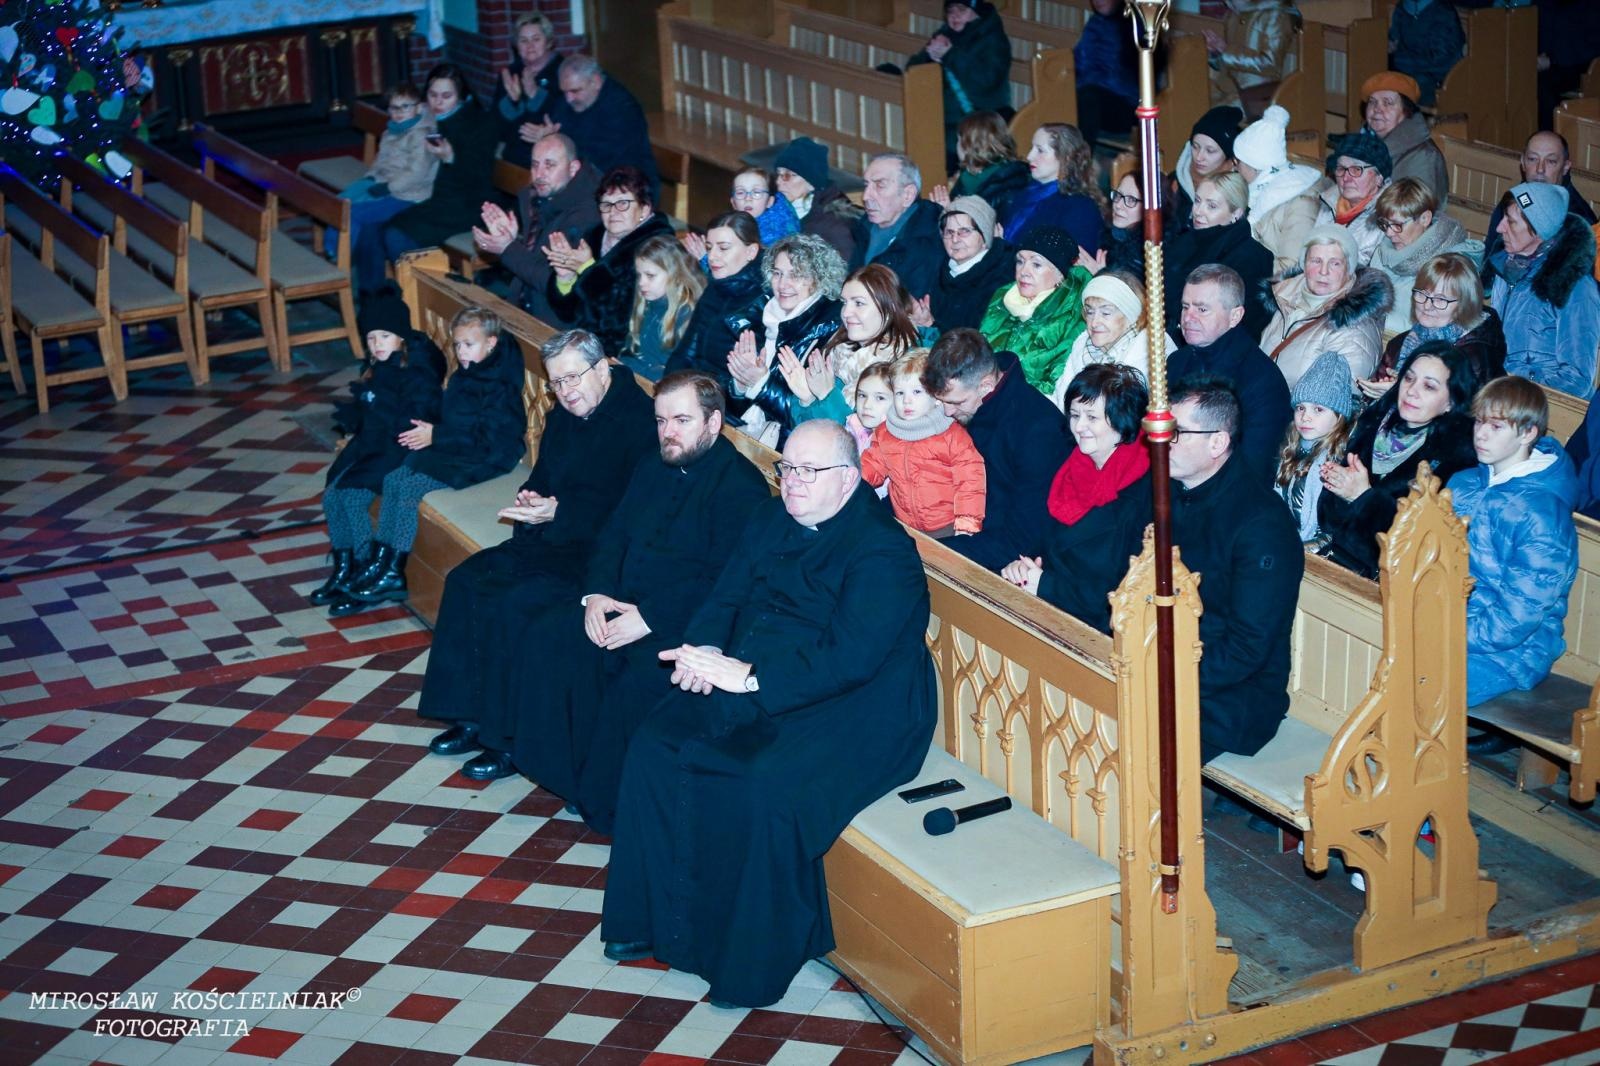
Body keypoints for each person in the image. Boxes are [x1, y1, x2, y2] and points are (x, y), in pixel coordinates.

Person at [598, 419, 936, 1009]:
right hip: (753, 672)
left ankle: (749, 959)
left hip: (861, 705)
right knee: (657, 742)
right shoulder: (770, 518)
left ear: (850, 480)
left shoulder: (882, 550)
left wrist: (752, 678)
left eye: (810, 471)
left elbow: (852, 659)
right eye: (787, 468)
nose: (794, 482)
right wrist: (701, 654)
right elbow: (724, 598)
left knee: (760, 781)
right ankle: (654, 924)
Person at [506, 372, 770, 826]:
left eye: (682, 420)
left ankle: (607, 804)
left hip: (683, 624)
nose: (668, 431)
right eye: (661, 420)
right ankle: (560, 773)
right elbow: (614, 535)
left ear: (713, 422)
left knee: (633, 681)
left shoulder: (740, 486)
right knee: (549, 636)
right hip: (622, 603)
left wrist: (647, 618)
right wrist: (597, 595)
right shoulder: (653, 464)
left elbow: (723, 581)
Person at [416, 328, 657, 777]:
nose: (565, 392)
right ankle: (470, 715)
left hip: (599, 557)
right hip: (552, 536)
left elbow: (631, 513)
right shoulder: (567, 413)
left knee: (516, 605)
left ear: (603, 368)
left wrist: (559, 513)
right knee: (467, 580)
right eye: (556, 383)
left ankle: (506, 741)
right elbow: (545, 474)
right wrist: (531, 498)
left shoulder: (640, 422)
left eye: (572, 378)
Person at [333, 306, 529, 614]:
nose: (461, 352)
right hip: (458, 447)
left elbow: (489, 438)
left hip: (486, 458)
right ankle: (382, 563)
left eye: (469, 344)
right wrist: (431, 429)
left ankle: (394, 568)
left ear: (491, 343)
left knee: (410, 489)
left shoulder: (500, 384)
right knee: (395, 478)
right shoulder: (469, 372)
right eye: (457, 345)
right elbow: (454, 418)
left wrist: (437, 436)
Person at [1167, 379, 1304, 761]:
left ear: (1217, 443)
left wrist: (1165, 677)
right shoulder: (1169, 491)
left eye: (1178, 433)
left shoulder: (1261, 525)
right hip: (1172, 662)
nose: (1166, 441)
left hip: (1233, 695)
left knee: (1129, 742)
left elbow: (1247, 648)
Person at [1449, 375, 1579, 709]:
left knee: (1425, 684)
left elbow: (1519, 616)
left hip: (1514, 651)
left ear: (1528, 433)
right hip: (1450, 620)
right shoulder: (1463, 483)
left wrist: (1447, 630)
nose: (1480, 433)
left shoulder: (1542, 515)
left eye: (1495, 426)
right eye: (1479, 421)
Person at [309, 288, 445, 607]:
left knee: (354, 497)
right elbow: (371, 412)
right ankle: (344, 569)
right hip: (374, 444)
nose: (378, 344)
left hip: (401, 448)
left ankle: (363, 567)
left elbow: (414, 416)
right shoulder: (377, 367)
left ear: (401, 337)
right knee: (333, 495)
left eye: (385, 336)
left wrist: (377, 411)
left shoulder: (416, 371)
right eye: (371, 338)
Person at [1004, 363, 1152, 634]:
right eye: (1074, 415)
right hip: (1054, 613)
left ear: (1123, 420)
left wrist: (1046, 585)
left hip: (1100, 634)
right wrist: (1023, 568)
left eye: (1092, 418)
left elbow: (1123, 592)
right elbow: (1046, 545)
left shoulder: (1145, 493)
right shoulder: (1070, 468)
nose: (1079, 426)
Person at [1317, 340, 1479, 578]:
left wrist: (1363, 497)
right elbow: (1327, 513)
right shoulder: (1375, 418)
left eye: (1429, 387)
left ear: (1451, 402)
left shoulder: (1457, 457)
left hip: (1392, 582)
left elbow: (1425, 546)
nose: (1412, 391)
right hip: (1336, 559)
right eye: (1409, 378)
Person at [923, 328, 1071, 571]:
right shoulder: (974, 407)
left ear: (986, 385)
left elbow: (1022, 541)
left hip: (1005, 560)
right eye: (942, 402)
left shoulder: (1037, 431)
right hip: (954, 532)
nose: (947, 412)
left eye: (956, 402)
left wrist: (930, 551)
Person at [363, 65, 497, 295]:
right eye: (433, 95)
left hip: (465, 204)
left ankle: (421, 302)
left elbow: (479, 179)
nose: (438, 102)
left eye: (446, 96)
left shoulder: (477, 123)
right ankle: (374, 299)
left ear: (462, 96)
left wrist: (450, 157)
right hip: (429, 195)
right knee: (370, 226)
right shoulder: (424, 117)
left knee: (397, 235)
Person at [1168, 264, 1292, 485]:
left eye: (1202, 309)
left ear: (1235, 316)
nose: (1188, 317)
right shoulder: (1177, 362)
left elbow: (1255, 466)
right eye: (1185, 307)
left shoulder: (1262, 380)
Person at [544, 165, 675, 358]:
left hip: (630, 352)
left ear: (644, 209)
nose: (613, 212)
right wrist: (566, 278)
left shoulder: (658, 247)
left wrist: (587, 269)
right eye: (606, 205)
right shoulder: (594, 236)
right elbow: (570, 313)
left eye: (623, 203)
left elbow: (622, 317)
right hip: (586, 344)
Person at [472, 132, 600, 325]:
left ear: (573, 168)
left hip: (557, 322)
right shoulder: (541, 197)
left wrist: (508, 248)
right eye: (534, 164)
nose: (539, 174)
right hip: (526, 304)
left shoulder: (586, 214)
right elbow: (537, 256)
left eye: (549, 165)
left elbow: (550, 280)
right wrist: (513, 239)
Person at [727, 234, 847, 441]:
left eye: (796, 275)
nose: (783, 284)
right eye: (777, 273)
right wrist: (740, 384)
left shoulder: (831, 330)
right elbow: (734, 409)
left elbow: (806, 417)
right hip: (747, 434)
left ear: (820, 278)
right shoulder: (760, 315)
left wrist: (760, 384)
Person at [1485, 182, 1600, 397]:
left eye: (1510, 221)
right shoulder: (1505, 268)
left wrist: (1520, 383)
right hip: (1498, 391)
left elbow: (1577, 379)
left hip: (1537, 403)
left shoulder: (1574, 287)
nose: (1500, 228)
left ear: (1539, 230)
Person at [861, 350, 987, 536]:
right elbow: (872, 465)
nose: (907, 401)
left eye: (917, 392)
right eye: (900, 393)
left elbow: (970, 478)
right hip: (904, 523)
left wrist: (967, 521)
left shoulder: (952, 436)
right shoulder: (885, 433)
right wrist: (851, 480)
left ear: (936, 397)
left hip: (946, 525)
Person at [1260, 226, 1393, 392]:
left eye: (1335, 263)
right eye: (1316, 261)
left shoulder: (1354, 329)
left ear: (1349, 269)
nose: (1323, 271)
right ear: (1304, 264)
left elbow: (1333, 405)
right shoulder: (1284, 298)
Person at [1366, 252, 1505, 403]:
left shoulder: (1475, 357)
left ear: (1464, 305)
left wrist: (1398, 393)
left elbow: (1470, 418)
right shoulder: (1399, 344)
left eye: (1440, 299)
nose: (1426, 305)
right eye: (1422, 294)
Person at [791, 263, 920, 424]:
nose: (845, 312)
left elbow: (859, 441)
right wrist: (807, 400)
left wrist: (827, 395)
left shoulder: (906, 372)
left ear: (889, 309)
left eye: (858, 303)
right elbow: (805, 431)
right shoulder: (838, 351)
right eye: (844, 302)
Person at [326, 82, 436, 263]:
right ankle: (332, 249)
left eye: (405, 107)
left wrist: (389, 187)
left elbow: (417, 172)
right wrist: (372, 176)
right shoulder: (390, 131)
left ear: (419, 107)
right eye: (394, 108)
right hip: (381, 183)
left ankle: (343, 258)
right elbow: (381, 159)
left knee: (353, 214)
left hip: (408, 195)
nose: (399, 112)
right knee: (340, 202)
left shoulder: (423, 135)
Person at [980, 225, 1090, 396]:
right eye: (1020, 261)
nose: (1024, 271)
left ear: (1060, 274)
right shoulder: (1003, 298)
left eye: (1036, 264)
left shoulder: (1072, 313)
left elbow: (1056, 382)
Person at [1164, 171, 1274, 337]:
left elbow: (1244, 325)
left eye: (1212, 206)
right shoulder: (1184, 242)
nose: (1198, 211)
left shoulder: (1251, 257)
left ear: (1236, 214)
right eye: (1197, 201)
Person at [1368, 178, 1481, 334]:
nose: (1388, 232)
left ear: (1424, 219)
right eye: (1384, 224)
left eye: (1397, 225)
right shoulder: (1383, 251)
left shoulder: (1451, 263)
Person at [907, 0, 1012, 166]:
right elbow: (912, 71)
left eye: (961, 10)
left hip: (980, 116)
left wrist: (950, 54)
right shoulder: (946, 34)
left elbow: (987, 82)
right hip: (945, 114)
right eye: (950, 11)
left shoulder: (993, 38)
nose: (954, 16)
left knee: (933, 144)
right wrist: (929, 56)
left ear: (975, 12)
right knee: (917, 135)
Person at [539, 54, 658, 199]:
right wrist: (549, 140)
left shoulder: (622, 109)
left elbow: (603, 162)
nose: (568, 99)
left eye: (575, 91)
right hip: (587, 185)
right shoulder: (568, 102)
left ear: (595, 82)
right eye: (564, 92)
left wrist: (560, 145)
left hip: (627, 190)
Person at [665, 212, 767, 379]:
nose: (711, 257)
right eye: (709, 247)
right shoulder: (715, 286)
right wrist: (670, 383)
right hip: (695, 385)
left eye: (723, 248)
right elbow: (687, 349)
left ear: (751, 251)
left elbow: (742, 380)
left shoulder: (763, 301)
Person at [1483, 131, 1600, 274]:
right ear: (1523, 163)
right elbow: (1489, 255)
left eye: (1551, 161)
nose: (1540, 169)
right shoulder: (1516, 198)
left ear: (1565, 167)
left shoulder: (1578, 222)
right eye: (1532, 159)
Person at [1274, 350, 1354, 549]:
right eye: (1300, 407)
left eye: (1318, 409)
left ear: (1339, 416)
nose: (1305, 417)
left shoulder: (1340, 464)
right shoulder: (1291, 449)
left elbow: (1333, 531)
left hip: (1311, 551)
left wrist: (1301, 549)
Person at [1055, 271, 1170, 401]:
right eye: (1089, 312)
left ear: (1131, 315)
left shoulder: (1151, 345)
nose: (1094, 322)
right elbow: (1061, 399)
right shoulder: (1082, 344)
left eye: (1106, 313)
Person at [1233, 105, 1323, 271]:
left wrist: (1237, 269)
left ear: (1255, 167)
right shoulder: (1256, 190)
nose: (1234, 168)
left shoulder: (1301, 202)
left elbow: (1292, 266)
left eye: (1237, 162)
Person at [848, 153, 944, 301]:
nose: (866, 196)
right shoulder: (863, 228)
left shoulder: (929, 241)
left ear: (907, 195)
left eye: (880, 185)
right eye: (866, 185)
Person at [1000, 124, 1105, 253]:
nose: (1029, 156)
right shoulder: (1025, 192)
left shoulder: (1081, 208)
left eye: (1040, 150)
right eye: (1031, 148)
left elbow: (1075, 266)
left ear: (1065, 157)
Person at [920, 195, 1016, 334]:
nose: (955, 239)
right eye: (949, 232)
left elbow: (978, 342)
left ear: (985, 236)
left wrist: (930, 325)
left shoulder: (1001, 279)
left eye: (964, 231)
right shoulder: (939, 271)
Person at [622, 235, 704, 381]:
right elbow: (632, 353)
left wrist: (631, 369)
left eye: (650, 276)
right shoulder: (647, 303)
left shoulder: (687, 314)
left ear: (676, 275)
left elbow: (681, 375)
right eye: (639, 275)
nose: (641, 282)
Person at [1360, 72, 1447, 207]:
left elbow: (1415, 214)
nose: (1377, 109)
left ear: (1406, 111)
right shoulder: (1362, 144)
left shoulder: (1424, 156)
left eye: (1387, 103)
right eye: (1372, 102)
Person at [1204, 0, 1301, 119]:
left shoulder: (1276, 14)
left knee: (1207, 121)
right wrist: (1215, 53)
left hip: (1255, 97)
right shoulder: (1234, 13)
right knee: (1188, 102)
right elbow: (1227, 61)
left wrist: (1225, 50)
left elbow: (1270, 63)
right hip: (1227, 90)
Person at [493, 12, 564, 168]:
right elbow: (499, 129)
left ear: (549, 42)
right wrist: (513, 102)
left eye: (536, 39)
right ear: (516, 45)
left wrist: (535, 95)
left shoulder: (563, 72)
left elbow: (561, 120)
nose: (530, 46)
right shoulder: (510, 75)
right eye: (523, 40)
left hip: (554, 155)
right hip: (518, 157)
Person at [774, 137, 861, 262]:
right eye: (779, 174)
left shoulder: (833, 226)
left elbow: (842, 274)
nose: (778, 182)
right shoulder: (781, 210)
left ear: (811, 183)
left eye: (787, 175)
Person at [1315, 128, 1393, 267]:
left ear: (1379, 178)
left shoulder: (1389, 215)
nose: (1346, 177)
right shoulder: (1328, 202)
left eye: (1357, 170)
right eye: (1341, 169)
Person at [1168, 106, 1243, 237]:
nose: (1199, 157)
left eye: (1210, 151)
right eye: (1195, 147)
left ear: (1229, 157)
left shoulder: (1238, 190)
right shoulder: (1173, 183)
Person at [1073, 0, 1139, 147]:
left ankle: (1082, 159)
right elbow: (1079, 62)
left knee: (1089, 97)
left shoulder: (1134, 25)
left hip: (1126, 106)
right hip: (1091, 98)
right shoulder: (1094, 23)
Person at [947, 111, 1029, 215]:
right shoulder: (965, 177)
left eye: (958, 140)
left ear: (969, 145)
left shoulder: (1010, 178)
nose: (956, 145)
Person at [1388, 0, 1464, 106]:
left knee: (1396, 93)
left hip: (1438, 81)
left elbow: (1442, 61)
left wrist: (1397, 59)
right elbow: (1394, 39)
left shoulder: (1443, 13)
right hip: (1408, 72)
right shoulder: (1403, 8)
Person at [725, 167, 799, 246]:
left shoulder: (780, 235)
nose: (748, 198)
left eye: (756, 192)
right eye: (740, 193)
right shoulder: (724, 229)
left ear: (769, 202)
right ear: (733, 203)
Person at [848, 360, 895, 457]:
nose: (867, 405)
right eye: (862, 395)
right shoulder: (851, 427)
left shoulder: (899, 445)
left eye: (880, 398)